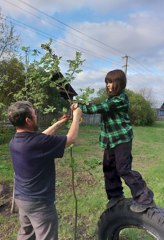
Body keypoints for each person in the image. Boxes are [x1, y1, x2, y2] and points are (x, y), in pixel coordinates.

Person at [71, 69, 155, 213]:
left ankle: (144, 196)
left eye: (111, 82)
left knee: (123, 169)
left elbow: (100, 108)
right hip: (110, 140)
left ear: (120, 83)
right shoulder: (111, 99)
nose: (108, 85)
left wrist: (80, 107)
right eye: (107, 82)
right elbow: (100, 106)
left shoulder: (121, 99)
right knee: (109, 168)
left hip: (122, 139)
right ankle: (115, 196)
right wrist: (80, 104)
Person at [8, 100, 82, 240]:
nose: (36, 116)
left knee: (26, 234)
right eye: (34, 114)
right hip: (39, 204)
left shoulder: (15, 141)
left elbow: (41, 136)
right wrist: (76, 116)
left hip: (21, 198)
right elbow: (71, 139)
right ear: (28, 120)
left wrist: (58, 124)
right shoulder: (38, 143)